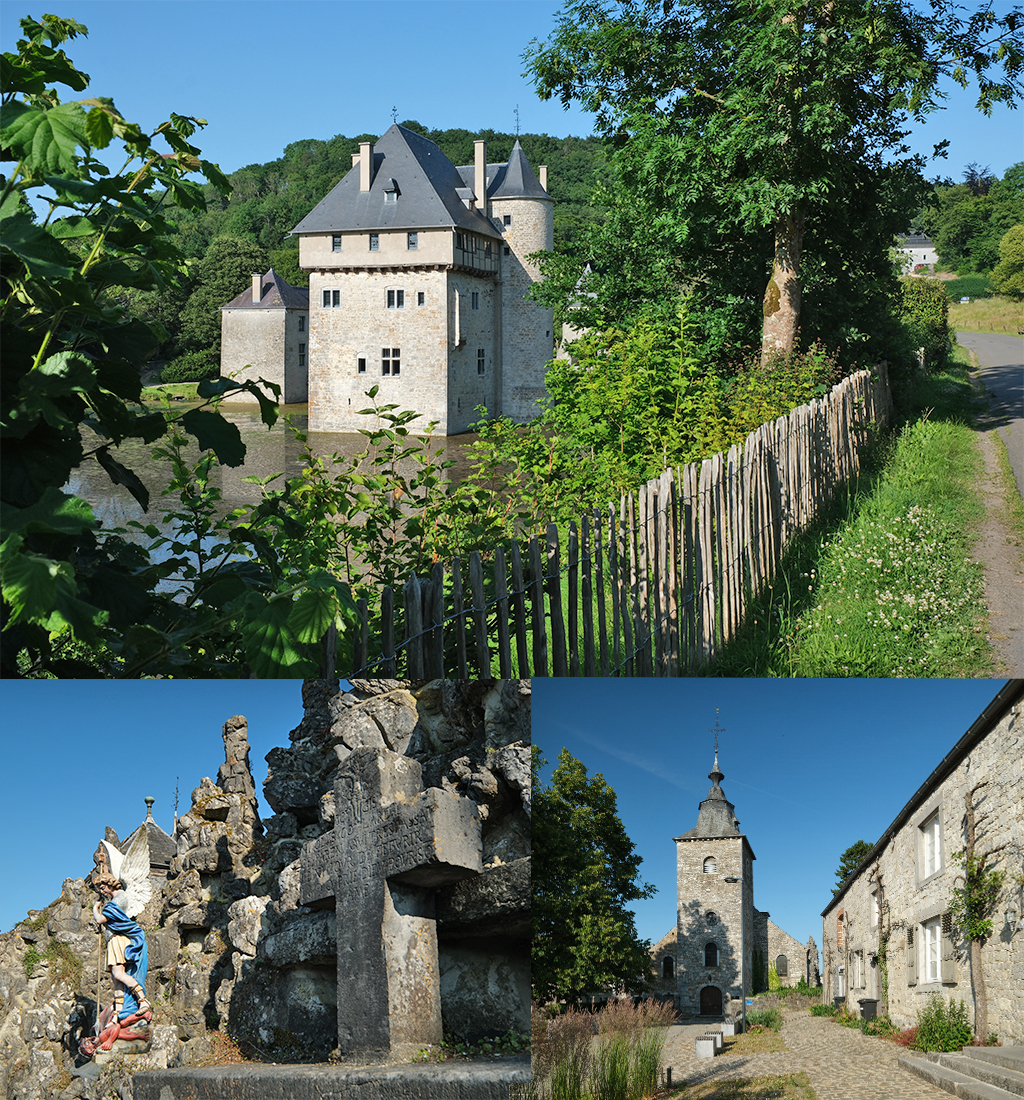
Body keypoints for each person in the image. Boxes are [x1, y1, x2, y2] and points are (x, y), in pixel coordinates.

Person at [92, 872, 151, 1020]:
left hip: (118, 940)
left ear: (110, 883)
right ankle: (117, 1014)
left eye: (103, 887)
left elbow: (100, 919)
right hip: (112, 941)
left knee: (119, 974)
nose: (102, 891)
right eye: (99, 888)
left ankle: (143, 1000)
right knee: (116, 980)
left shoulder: (119, 899)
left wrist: (95, 907)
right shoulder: (114, 900)